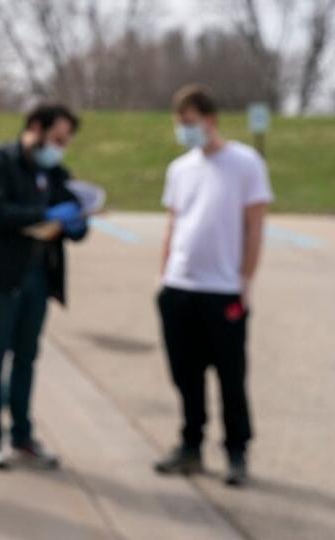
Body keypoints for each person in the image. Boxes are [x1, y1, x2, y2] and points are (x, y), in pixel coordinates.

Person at [0, 104, 88, 470]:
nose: (60, 148)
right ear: (35, 128)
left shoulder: (55, 173)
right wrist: (44, 215)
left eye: (65, 142)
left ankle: (23, 435)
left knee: (27, 356)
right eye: (57, 139)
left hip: (38, 277)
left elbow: (74, 210)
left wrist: (77, 223)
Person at [154, 85, 272, 487]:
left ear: (210, 120)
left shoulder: (245, 162)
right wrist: (164, 274)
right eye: (180, 124)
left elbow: (255, 226)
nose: (185, 130)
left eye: (190, 122)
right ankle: (190, 446)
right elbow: (174, 225)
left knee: (230, 376)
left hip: (222, 289)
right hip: (179, 287)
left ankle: (236, 451)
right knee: (185, 375)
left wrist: (245, 280)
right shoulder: (180, 169)